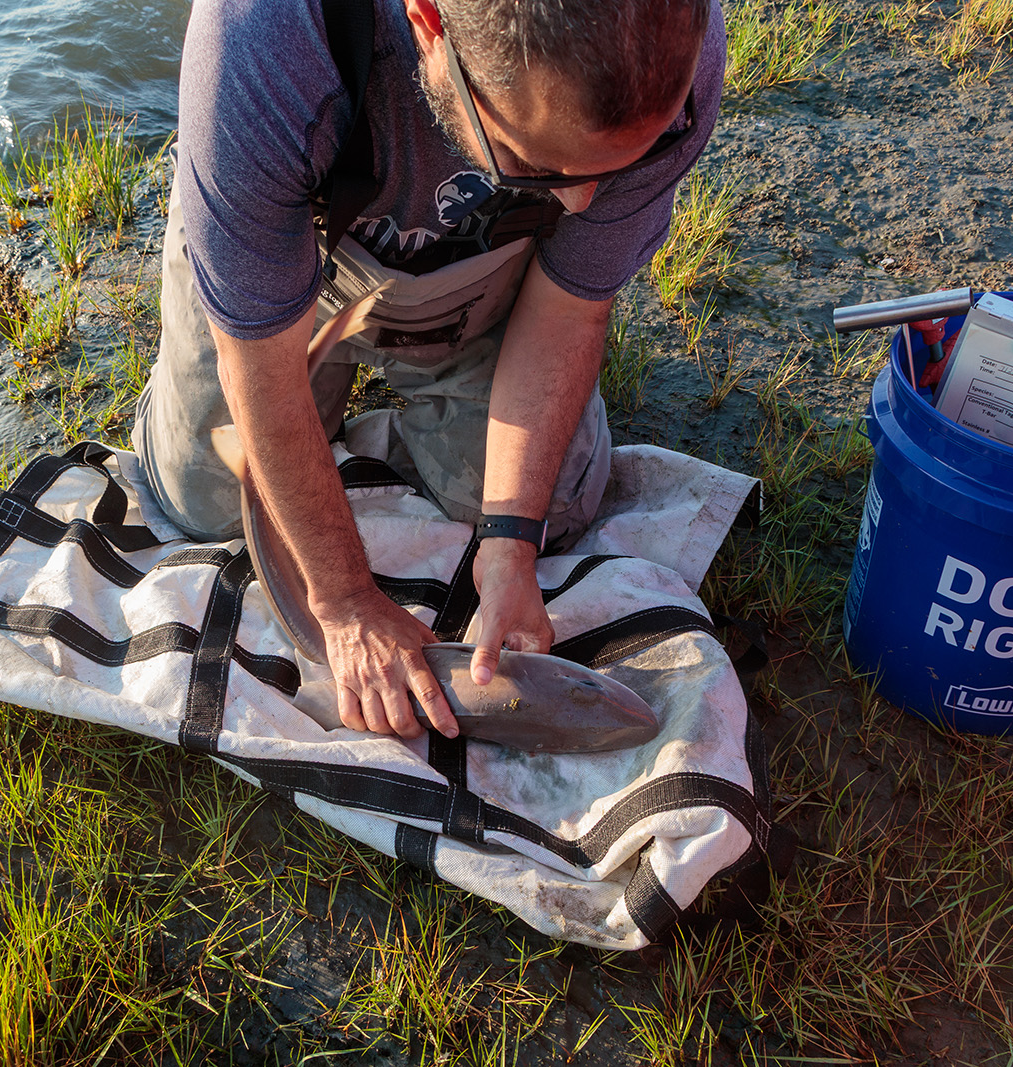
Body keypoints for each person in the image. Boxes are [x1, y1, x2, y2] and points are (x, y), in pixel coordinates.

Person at [132, 0, 724, 741]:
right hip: (296, 236)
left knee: (560, 506)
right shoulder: (260, 38)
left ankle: (405, 380)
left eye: (621, 163)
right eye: (538, 164)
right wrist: (343, 598)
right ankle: (239, 259)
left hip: (478, 256)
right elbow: (260, 371)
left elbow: (569, 309)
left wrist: (510, 543)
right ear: (428, 22)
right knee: (204, 502)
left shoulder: (669, 49)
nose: (581, 202)